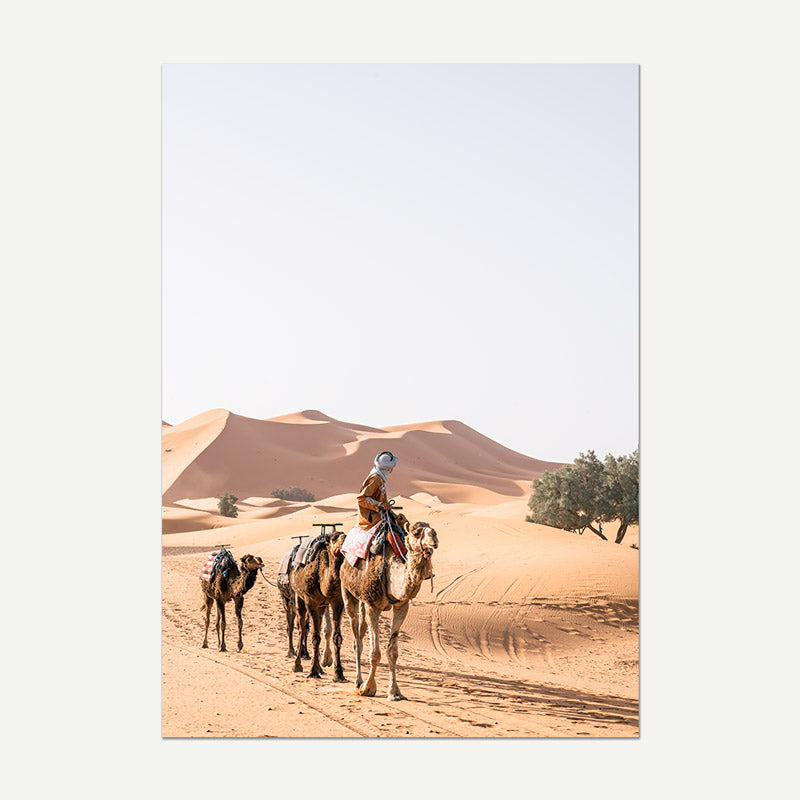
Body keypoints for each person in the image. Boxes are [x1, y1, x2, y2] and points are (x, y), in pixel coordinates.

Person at [356, 451, 398, 529]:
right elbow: (361, 499)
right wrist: (380, 505)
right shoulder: (375, 479)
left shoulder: (380, 478)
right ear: (389, 468)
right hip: (372, 518)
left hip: (380, 515)